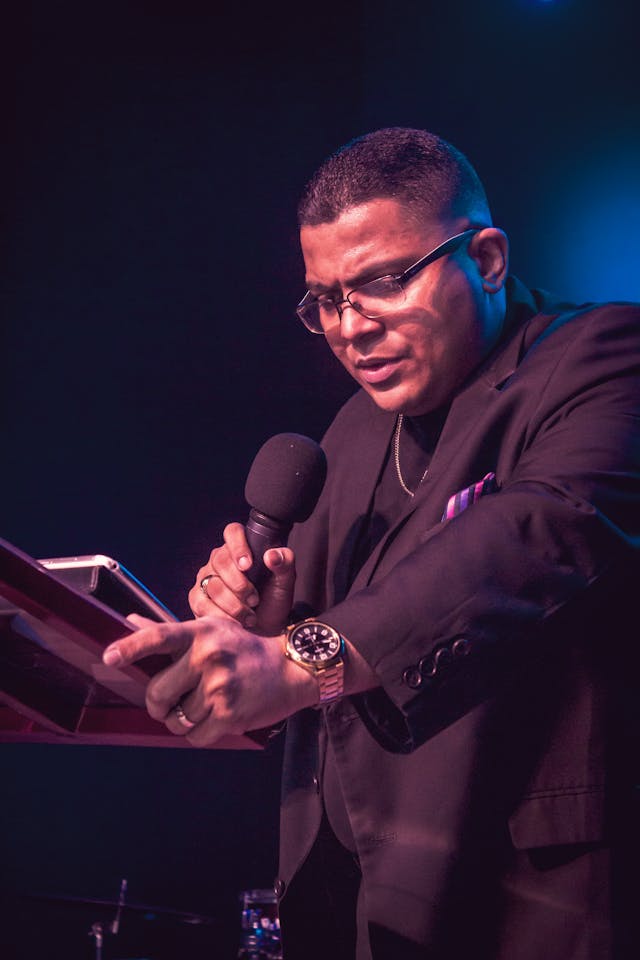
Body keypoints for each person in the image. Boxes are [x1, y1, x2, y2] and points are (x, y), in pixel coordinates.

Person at [103, 128, 640, 959]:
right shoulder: (353, 431)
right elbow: (325, 660)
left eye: (384, 282)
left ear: (488, 259)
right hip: (358, 910)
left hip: (530, 901)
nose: (350, 327)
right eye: (325, 299)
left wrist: (293, 659)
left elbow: (537, 535)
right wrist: (258, 627)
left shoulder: (602, 359)